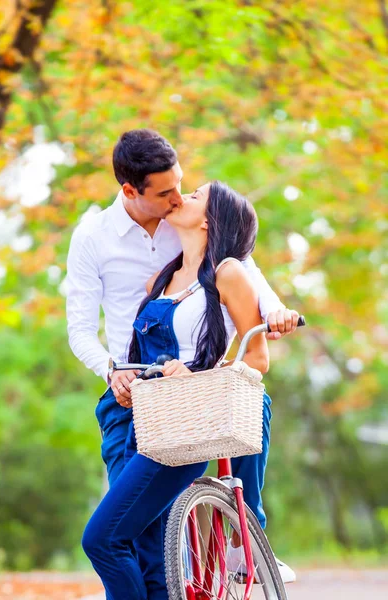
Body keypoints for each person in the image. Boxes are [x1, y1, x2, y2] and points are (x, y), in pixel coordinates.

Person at [65, 130, 298, 591]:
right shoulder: (99, 240)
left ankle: (247, 530)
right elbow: (78, 331)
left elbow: (240, 264)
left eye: (184, 187)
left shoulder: (191, 236)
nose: (177, 198)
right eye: (167, 192)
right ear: (131, 192)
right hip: (130, 396)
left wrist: (273, 310)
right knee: (134, 543)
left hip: (187, 405)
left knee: (256, 404)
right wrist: (112, 371)